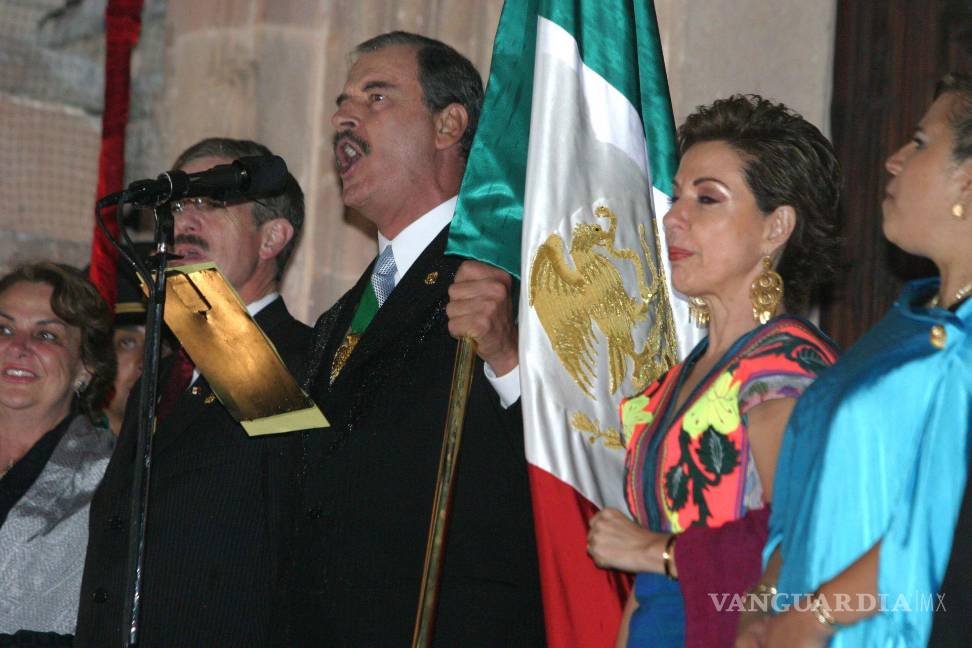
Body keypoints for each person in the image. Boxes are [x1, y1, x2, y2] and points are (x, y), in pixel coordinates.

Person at [285, 32, 544, 646]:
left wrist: (509, 361)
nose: (344, 118)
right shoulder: (342, 314)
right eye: (343, 103)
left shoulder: (513, 272)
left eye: (377, 97)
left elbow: (583, 458)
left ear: (449, 124)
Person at [586, 95, 842, 647]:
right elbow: (644, 587)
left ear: (776, 228)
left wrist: (658, 551)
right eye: (678, 196)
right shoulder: (672, 386)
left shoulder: (784, 372)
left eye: (707, 199)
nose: (674, 216)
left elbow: (809, 540)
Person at [738, 74, 972, 648]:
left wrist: (815, 617)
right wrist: (759, 609)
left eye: (919, 142)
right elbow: (813, 493)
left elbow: (938, 523)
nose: (893, 161)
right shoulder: (905, 322)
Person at [74, 137, 312, 647]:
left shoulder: (301, 364)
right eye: (178, 203)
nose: (183, 220)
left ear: (272, 238)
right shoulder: (162, 376)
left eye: (211, 202)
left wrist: (192, 305)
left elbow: (290, 537)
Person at [0, 262, 115, 644]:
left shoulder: (111, 478)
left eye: (46, 335)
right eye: (3, 329)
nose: (17, 347)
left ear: (86, 366)